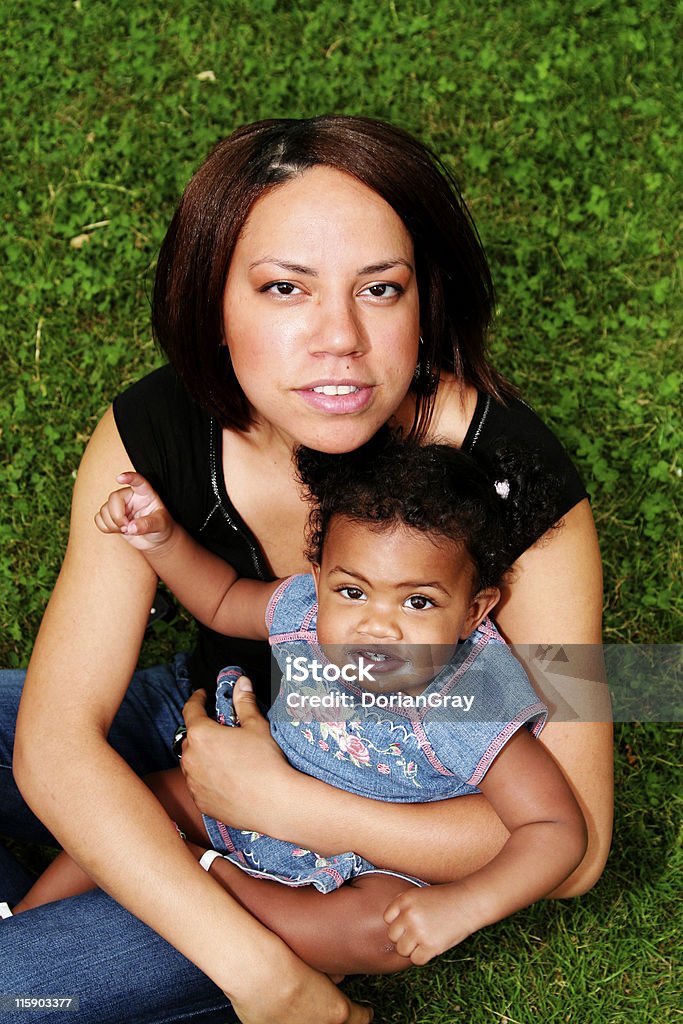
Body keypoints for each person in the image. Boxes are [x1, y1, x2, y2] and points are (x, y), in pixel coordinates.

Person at [1, 116, 612, 1024]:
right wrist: (269, 981)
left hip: (335, 839)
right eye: (285, 288)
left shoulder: (512, 482)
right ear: (215, 302)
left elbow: (578, 844)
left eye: (380, 289)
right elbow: (56, 745)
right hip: (201, 714)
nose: (340, 339)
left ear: (423, 303)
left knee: (14, 989)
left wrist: (286, 806)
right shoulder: (153, 430)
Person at [8, 434, 588, 971]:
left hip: (359, 868)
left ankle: (207, 877)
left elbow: (555, 827)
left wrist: (467, 903)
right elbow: (223, 598)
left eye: (417, 603)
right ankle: (22, 922)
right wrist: (164, 542)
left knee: (380, 933)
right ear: (319, 578)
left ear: (473, 612)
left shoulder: (470, 696)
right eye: (353, 591)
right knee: (123, 807)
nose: (376, 627)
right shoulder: (305, 614)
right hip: (236, 801)